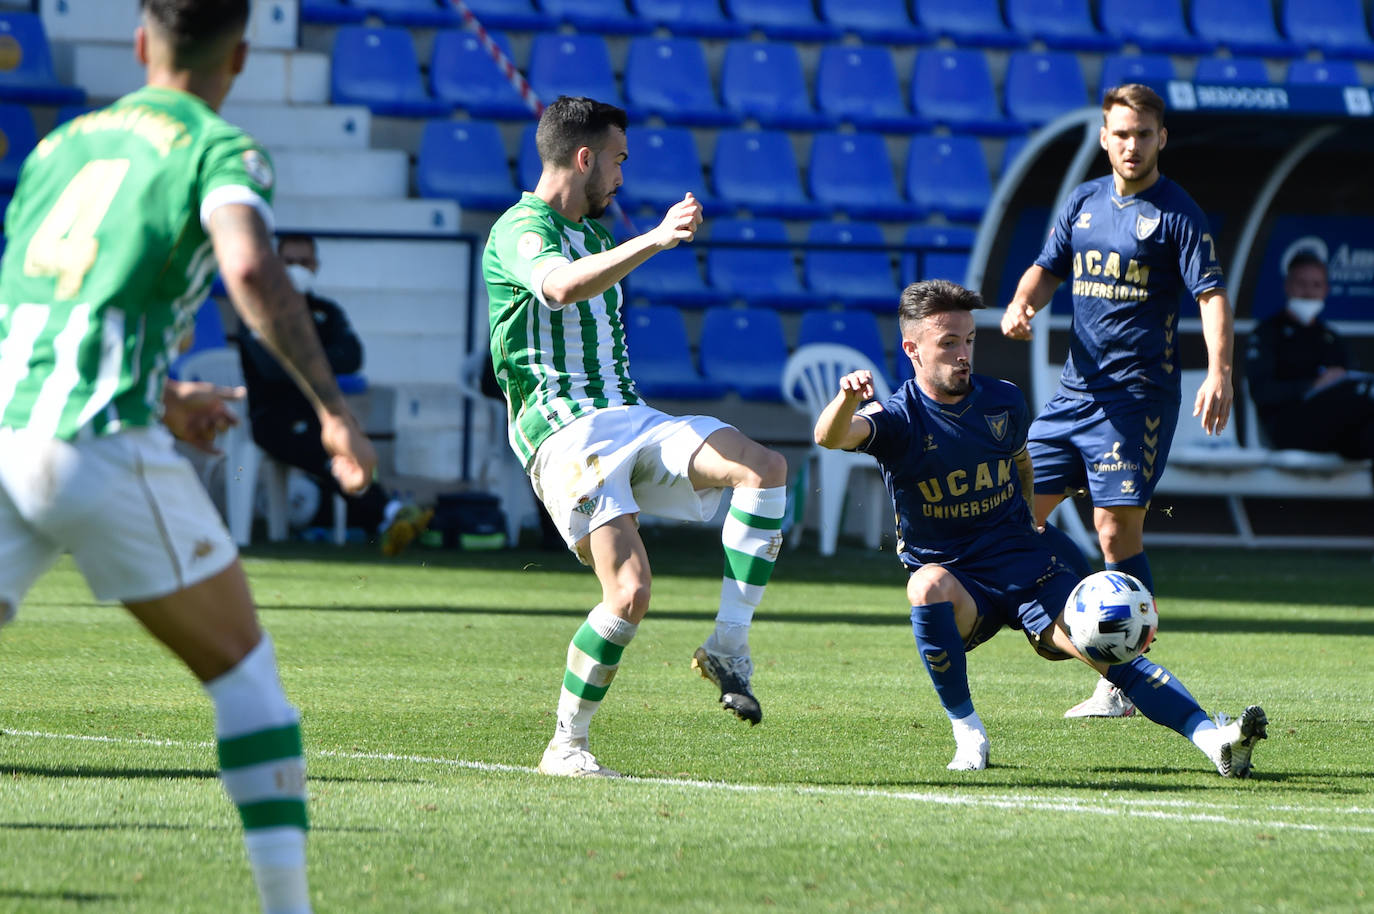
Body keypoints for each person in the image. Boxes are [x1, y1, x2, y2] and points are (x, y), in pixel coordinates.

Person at [0, 2, 377, 912]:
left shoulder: (61, 147)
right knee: (247, 677)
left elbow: (45, 307)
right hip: (92, 444)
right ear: (239, 56)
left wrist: (168, 398)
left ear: (140, 44)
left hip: (8, 429)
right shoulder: (220, 149)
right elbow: (249, 270)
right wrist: (332, 411)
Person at [815, 279, 1266, 775]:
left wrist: (1031, 509)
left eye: (968, 340)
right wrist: (845, 400)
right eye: (948, 343)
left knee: (1102, 646)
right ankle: (968, 734)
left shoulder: (1002, 400)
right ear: (912, 349)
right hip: (961, 579)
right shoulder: (898, 417)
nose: (963, 354)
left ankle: (1215, 741)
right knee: (924, 587)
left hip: (1031, 564)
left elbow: (1021, 460)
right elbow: (830, 436)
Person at [482, 96, 788, 778]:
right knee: (629, 595)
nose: (622, 175)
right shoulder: (520, 229)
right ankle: (566, 745)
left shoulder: (596, 235)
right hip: (565, 435)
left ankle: (729, 646)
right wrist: (654, 238)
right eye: (618, 160)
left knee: (763, 467)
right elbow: (557, 290)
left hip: (630, 418)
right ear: (584, 158)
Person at [1000, 83, 1235, 719]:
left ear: (1162, 138)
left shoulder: (1177, 213)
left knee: (1113, 530)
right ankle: (1066, 612)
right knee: (1014, 515)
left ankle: (1122, 679)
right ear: (1105, 138)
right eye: (1121, 134)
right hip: (1073, 396)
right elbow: (1045, 269)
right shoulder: (1082, 202)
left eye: (1143, 134)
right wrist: (1024, 303)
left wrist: (1220, 372)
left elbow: (1210, 296)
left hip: (1136, 402)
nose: (1131, 145)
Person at [237, 232, 433, 555]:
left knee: (347, 440)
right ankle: (387, 515)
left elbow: (353, 356)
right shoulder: (258, 311)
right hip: (273, 419)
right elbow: (272, 372)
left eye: (304, 261)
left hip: (322, 414)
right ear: (276, 265)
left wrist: (301, 358)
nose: (297, 268)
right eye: (289, 262)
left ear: (315, 265)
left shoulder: (325, 312)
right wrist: (319, 357)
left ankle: (385, 517)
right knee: (329, 451)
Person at [1245, 250, 1374, 484]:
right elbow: (1262, 392)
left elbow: (1352, 383)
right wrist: (1314, 385)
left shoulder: (1331, 337)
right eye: (1301, 283)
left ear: (1325, 290)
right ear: (1287, 286)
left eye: (1316, 285)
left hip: (1337, 431)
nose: (1308, 291)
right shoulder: (1267, 333)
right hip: (1290, 428)